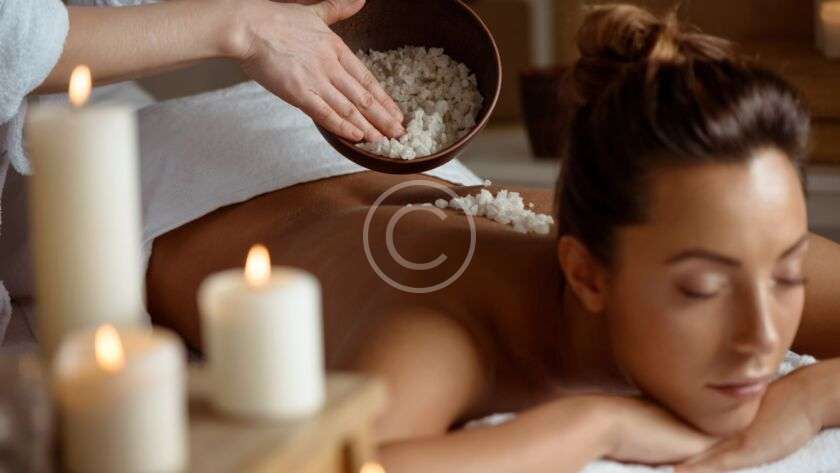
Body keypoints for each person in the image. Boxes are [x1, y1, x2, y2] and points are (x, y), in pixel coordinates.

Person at [143, 4, 840, 472]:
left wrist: (810, 397)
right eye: (704, 290)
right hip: (173, 182)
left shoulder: (710, 227)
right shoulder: (440, 337)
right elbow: (343, 463)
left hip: (365, 155)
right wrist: (597, 427)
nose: (763, 337)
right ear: (586, 273)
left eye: (787, 275)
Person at [0, 0, 403, 345]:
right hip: (36, 139)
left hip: (87, 106)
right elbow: (16, 37)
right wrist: (243, 26)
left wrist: (261, 14)